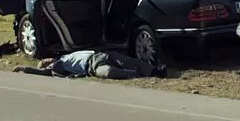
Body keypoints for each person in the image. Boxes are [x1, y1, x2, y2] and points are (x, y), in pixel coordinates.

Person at [13, 50, 164, 79]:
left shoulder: (64, 55)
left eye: (44, 60)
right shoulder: (57, 67)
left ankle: (154, 71)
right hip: (92, 66)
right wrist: (23, 68)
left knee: (126, 60)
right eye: (43, 64)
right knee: (109, 72)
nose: (45, 61)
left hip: (100, 55)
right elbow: (41, 73)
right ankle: (136, 74)